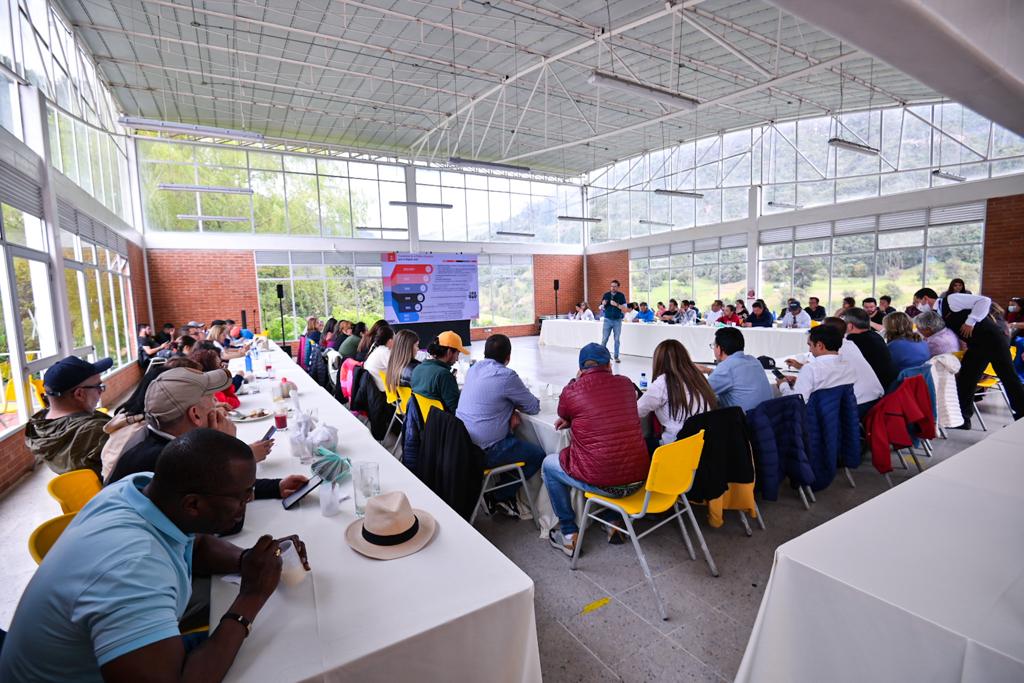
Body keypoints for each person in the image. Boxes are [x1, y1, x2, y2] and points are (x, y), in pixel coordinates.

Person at [0, 428, 309, 683]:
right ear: (193, 504)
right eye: (242, 497)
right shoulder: (132, 569)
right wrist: (251, 597)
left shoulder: (137, 490)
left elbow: (195, 544)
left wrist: (246, 562)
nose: (248, 503)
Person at [107, 367, 303, 498]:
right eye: (211, 399)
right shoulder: (173, 460)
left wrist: (275, 487)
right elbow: (228, 520)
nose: (217, 405)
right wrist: (227, 446)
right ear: (195, 415)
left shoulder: (157, 440)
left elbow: (214, 489)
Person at [543, 343, 649, 555]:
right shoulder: (627, 384)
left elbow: (563, 412)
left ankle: (568, 532)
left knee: (549, 465)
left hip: (604, 483)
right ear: (610, 364)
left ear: (581, 368)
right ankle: (613, 520)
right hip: (640, 479)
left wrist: (576, 387)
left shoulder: (572, 390)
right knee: (615, 455)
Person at [456, 334, 544, 516]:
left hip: (463, 444)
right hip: (485, 451)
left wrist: (509, 407)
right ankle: (499, 496)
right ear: (508, 357)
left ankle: (503, 491)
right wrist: (513, 405)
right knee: (538, 455)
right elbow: (533, 406)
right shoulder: (506, 376)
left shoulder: (474, 369)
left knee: (511, 436)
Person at [913, 287, 1024, 424]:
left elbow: (984, 300)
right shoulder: (939, 313)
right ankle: (963, 419)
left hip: (993, 339)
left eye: (917, 302)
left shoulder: (951, 299)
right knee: (967, 379)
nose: (917, 306)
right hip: (977, 344)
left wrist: (970, 321)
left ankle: (1022, 414)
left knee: (1008, 376)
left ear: (925, 298)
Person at [25, 355, 113, 477]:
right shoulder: (96, 431)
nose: (101, 391)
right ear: (79, 394)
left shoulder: (41, 426)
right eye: (98, 386)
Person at [785, 317, 883, 413]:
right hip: (874, 398)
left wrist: (783, 385)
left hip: (856, 403)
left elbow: (799, 399)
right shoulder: (849, 344)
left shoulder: (831, 351)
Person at [638, 339, 717, 449]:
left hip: (676, 447)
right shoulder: (699, 378)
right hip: (703, 444)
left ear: (659, 361)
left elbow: (638, 410)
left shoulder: (663, 382)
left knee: (635, 444)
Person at [700, 327, 773, 411]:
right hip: (766, 417)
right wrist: (708, 371)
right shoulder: (754, 360)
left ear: (719, 349)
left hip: (745, 421)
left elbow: (700, 391)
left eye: (714, 346)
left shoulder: (727, 367)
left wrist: (691, 373)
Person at [777, 325, 857, 402]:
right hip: (840, 413)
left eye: (810, 345)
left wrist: (783, 385)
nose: (809, 350)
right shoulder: (849, 366)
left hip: (812, 414)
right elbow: (828, 388)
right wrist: (800, 382)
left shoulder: (811, 368)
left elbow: (797, 402)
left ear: (819, 345)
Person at [842, 307, 898, 390]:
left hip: (875, 390)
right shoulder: (876, 335)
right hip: (891, 385)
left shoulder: (852, 341)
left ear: (850, 326)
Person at [410, 331, 466, 412]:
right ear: (449, 352)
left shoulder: (417, 369)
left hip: (425, 421)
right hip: (444, 422)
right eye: (457, 354)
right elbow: (456, 409)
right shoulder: (444, 375)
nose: (457, 359)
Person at [384, 329, 421, 396]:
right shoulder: (416, 370)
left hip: (403, 405)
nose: (418, 349)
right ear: (408, 347)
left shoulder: (393, 366)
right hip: (415, 405)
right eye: (416, 345)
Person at [598, 279, 628, 362]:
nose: (613, 288)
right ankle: (601, 356)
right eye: (612, 286)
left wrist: (616, 304)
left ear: (618, 287)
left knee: (617, 339)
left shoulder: (621, 296)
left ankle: (616, 356)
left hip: (617, 320)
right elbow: (600, 308)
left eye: (615, 286)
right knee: (604, 339)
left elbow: (625, 309)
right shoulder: (606, 295)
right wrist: (602, 304)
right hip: (607, 319)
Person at [363, 326, 395, 392]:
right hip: (382, 390)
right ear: (390, 340)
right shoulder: (385, 352)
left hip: (373, 388)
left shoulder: (378, 349)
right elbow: (397, 370)